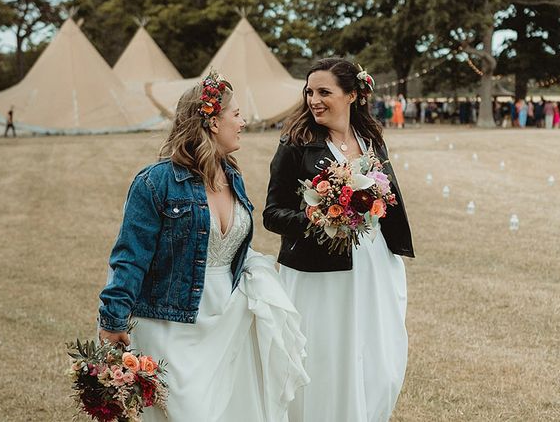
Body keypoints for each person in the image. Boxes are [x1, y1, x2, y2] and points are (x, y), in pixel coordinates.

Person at [98, 72, 308, 421]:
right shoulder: (155, 182)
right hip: (170, 322)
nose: (243, 122)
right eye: (236, 114)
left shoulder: (232, 176)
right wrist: (113, 318)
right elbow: (130, 258)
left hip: (229, 320)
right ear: (212, 121)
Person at [264, 58, 414, 422]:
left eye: (324, 92)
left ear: (351, 95)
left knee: (380, 356)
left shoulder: (372, 140)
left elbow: (387, 197)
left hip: (375, 263)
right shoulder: (297, 143)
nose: (314, 99)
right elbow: (272, 212)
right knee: (327, 355)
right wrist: (319, 218)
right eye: (310, 92)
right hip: (321, 272)